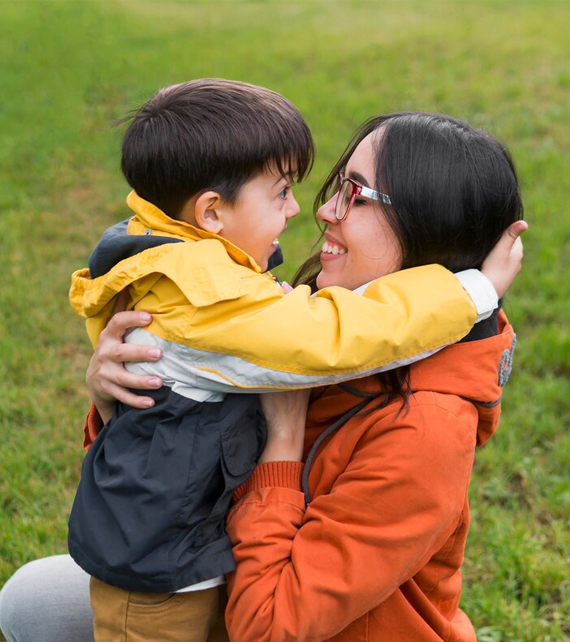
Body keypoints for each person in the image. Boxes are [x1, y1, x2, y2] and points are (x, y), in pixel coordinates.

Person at [0, 110, 526, 642]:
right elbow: (172, 475)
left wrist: (281, 445)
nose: (322, 210)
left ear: (429, 227)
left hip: (285, 623)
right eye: (337, 185)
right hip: (226, 579)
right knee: (33, 599)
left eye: (357, 195)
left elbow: (270, 628)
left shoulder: (428, 428)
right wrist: (125, 395)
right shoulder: (308, 324)